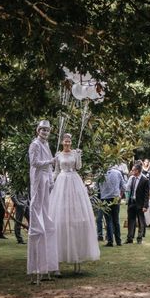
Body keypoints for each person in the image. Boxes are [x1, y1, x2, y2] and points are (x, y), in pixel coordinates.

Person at [48, 133, 100, 273]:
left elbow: (78, 167)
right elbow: (56, 171)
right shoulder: (58, 155)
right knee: (59, 220)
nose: (67, 143)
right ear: (62, 142)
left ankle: (78, 263)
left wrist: (78, 155)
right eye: (65, 141)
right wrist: (50, 183)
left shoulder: (75, 153)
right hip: (62, 182)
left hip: (74, 181)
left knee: (77, 218)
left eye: (69, 141)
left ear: (71, 142)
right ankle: (56, 266)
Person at [27, 120, 59, 282]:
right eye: (43, 130)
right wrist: (50, 162)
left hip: (46, 183)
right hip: (38, 183)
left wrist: (52, 180)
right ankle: (37, 269)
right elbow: (35, 163)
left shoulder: (46, 145)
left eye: (47, 130)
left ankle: (47, 268)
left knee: (48, 221)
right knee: (38, 219)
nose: (45, 132)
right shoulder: (35, 145)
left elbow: (50, 168)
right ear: (38, 130)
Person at [100, 164, 126, 247]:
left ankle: (110, 241)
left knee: (108, 221)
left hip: (105, 199)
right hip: (115, 198)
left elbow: (96, 188)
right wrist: (120, 194)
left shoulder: (100, 174)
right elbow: (124, 187)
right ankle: (118, 241)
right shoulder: (118, 173)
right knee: (116, 220)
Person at [126, 164, 150, 244]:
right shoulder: (132, 179)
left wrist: (145, 206)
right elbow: (130, 190)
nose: (132, 171)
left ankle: (139, 238)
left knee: (141, 221)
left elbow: (147, 194)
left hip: (140, 203)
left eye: (133, 170)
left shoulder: (145, 180)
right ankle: (130, 238)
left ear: (137, 171)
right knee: (130, 220)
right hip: (132, 202)